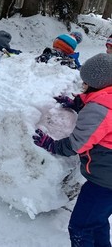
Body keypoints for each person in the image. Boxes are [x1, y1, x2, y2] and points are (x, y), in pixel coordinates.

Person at [32, 53, 112, 246]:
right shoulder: (106, 100)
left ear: (96, 82)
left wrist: (52, 145)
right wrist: (77, 102)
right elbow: (99, 101)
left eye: (85, 83)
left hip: (105, 182)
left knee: (80, 227)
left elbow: (77, 144)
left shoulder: (99, 109)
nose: (83, 85)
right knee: (96, 221)